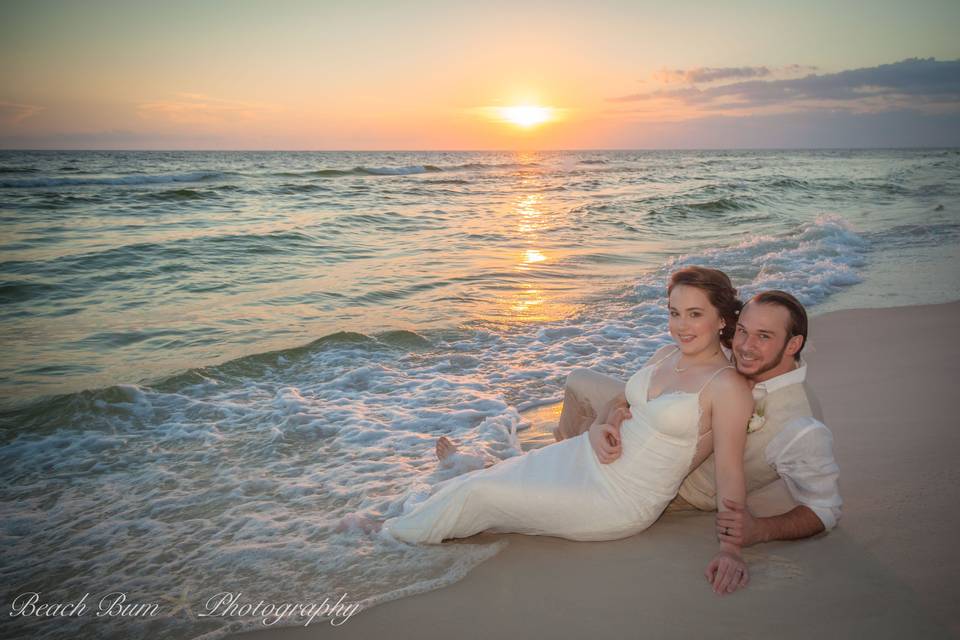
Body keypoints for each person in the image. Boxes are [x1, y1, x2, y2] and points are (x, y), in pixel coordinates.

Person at [378, 266, 755, 595]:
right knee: (491, 479)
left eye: (694, 314)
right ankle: (427, 499)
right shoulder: (666, 355)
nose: (680, 326)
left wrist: (731, 549)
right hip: (584, 456)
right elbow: (621, 401)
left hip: (617, 501)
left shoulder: (727, 387)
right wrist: (598, 427)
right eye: (674, 313)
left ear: (722, 319)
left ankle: (386, 535)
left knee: (480, 494)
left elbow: (730, 472)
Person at [558, 290, 842, 559]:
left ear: (793, 344)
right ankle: (567, 458)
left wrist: (760, 530)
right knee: (579, 381)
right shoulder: (736, 357)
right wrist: (617, 411)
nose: (745, 346)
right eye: (742, 330)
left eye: (764, 336)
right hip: (657, 424)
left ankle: (572, 479)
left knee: (565, 496)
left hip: (678, 485)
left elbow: (824, 509)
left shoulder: (801, 427)